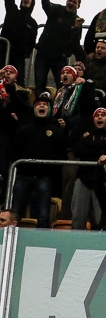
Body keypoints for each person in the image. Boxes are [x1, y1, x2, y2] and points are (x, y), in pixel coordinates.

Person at [10, 93, 67, 228]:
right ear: (34, 109)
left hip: (44, 177)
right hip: (24, 176)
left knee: (43, 215)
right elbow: (14, 152)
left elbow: (61, 156)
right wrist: (22, 168)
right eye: (38, 104)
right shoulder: (24, 130)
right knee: (15, 212)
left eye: (45, 104)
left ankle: (42, 238)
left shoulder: (56, 132)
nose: (41, 106)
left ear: (49, 109)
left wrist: (50, 171)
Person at [37, 0, 84, 96]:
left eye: (74, 2)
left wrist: (76, 27)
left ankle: (60, 105)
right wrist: (45, 1)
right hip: (44, 53)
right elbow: (48, 7)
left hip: (60, 58)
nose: (71, 3)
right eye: (70, 0)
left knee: (62, 85)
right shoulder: (57, 10)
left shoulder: (77, 21)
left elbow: (75, 42)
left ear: (78, 6)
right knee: (40, 82)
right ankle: (40, 103)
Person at [2, 0, 37, 83]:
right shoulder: (13, 11)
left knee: (19, 81)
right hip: (3, 50)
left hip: (19, 56)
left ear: (32, 3)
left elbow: (32, 41)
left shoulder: (33, 23)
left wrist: (26, 52)